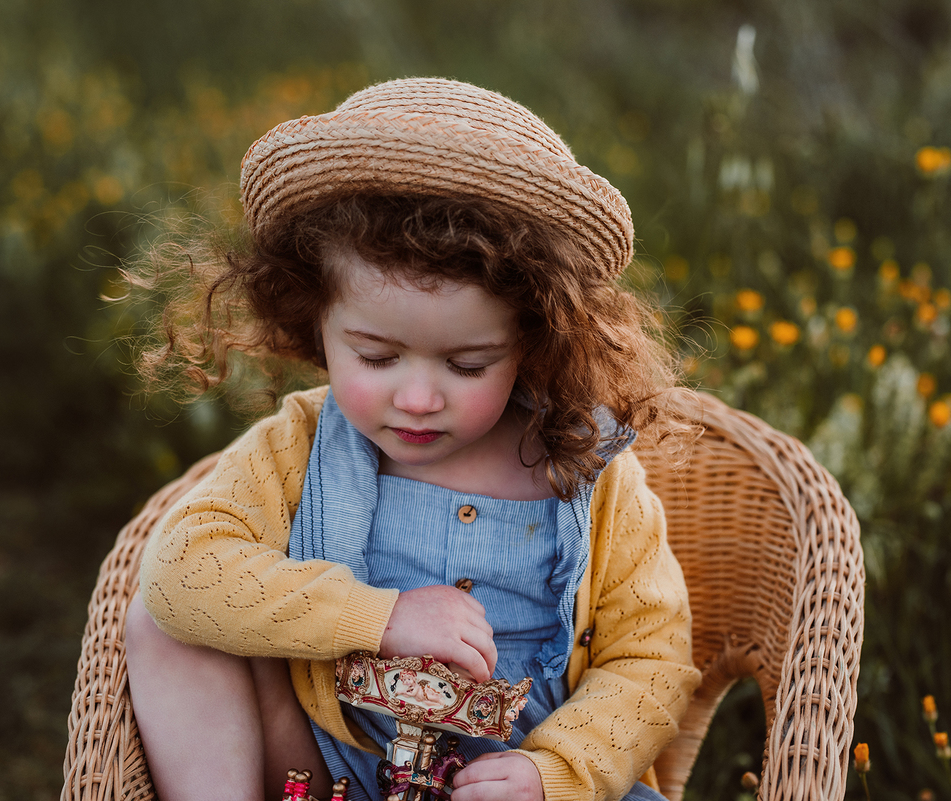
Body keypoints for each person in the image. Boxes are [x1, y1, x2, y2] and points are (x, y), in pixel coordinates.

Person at [124, 77, 702, 801]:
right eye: (375, 357)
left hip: (523, 785)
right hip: (337, 770)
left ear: (533, 341)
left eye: (467, 365)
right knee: (162, 622)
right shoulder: (302, 445)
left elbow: (652, 659)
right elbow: (181, 571)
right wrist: (380, 616)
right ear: (317, 323)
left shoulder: (588, 470)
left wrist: (553, 771)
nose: (420, 399)